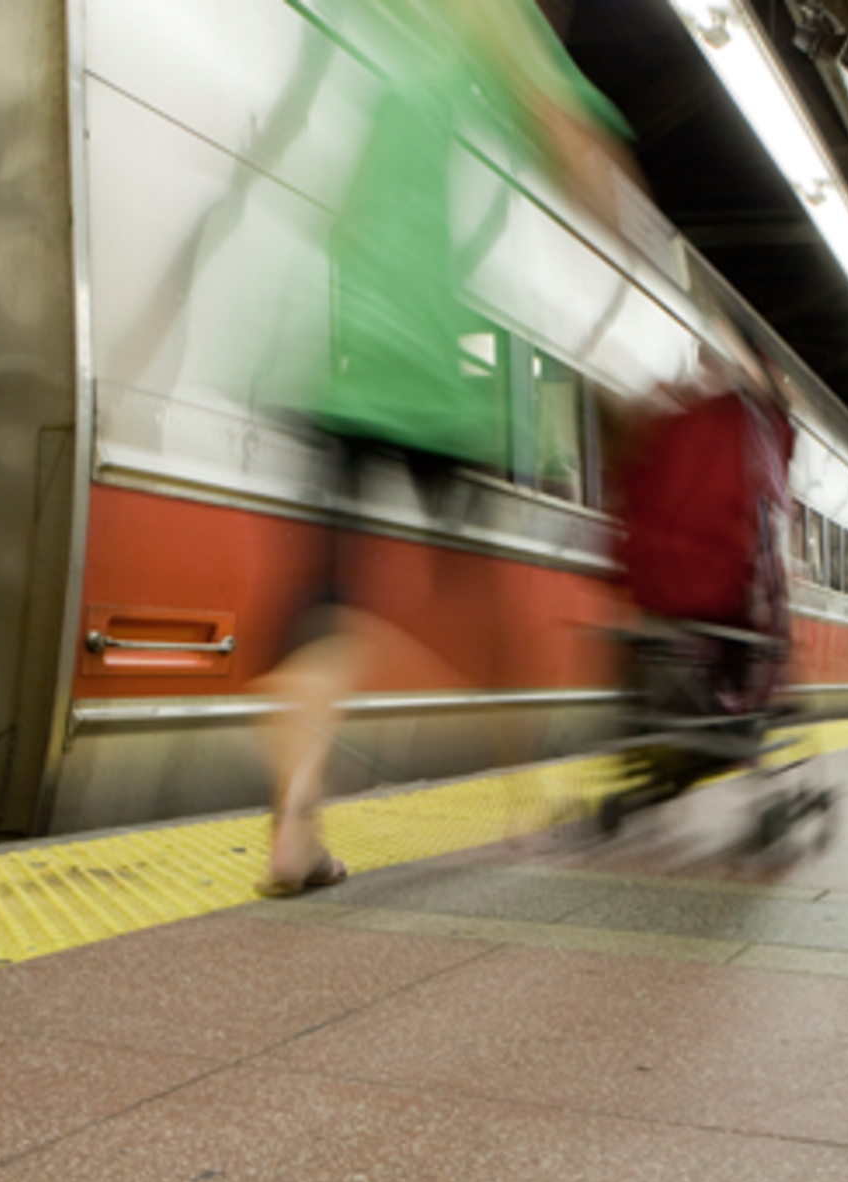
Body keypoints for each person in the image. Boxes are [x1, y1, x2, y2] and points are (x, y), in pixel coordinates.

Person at [252, 0, 635, 895]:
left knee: (322, 602)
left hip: (333, 353)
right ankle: (522, 792)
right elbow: (572, 138)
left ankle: (293, 829)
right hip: (427, 367)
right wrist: (623, 258)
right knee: (483, 589)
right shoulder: (493, 16)